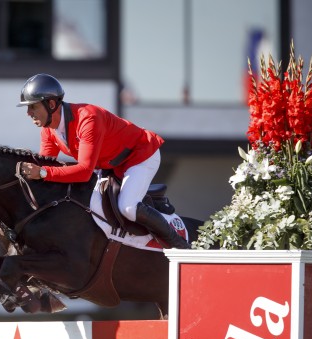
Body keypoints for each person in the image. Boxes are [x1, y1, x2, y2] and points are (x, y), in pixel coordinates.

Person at [16, 73, 189, 249]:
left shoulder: (88, 118)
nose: (28, 113)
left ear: (51, 104)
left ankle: (179, 244)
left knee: (127, 208)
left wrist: (42, 172)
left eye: (33, 106)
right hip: (110, 165)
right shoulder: (48, 131)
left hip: (140, 155)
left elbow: (83, 172)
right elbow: (46, 165)